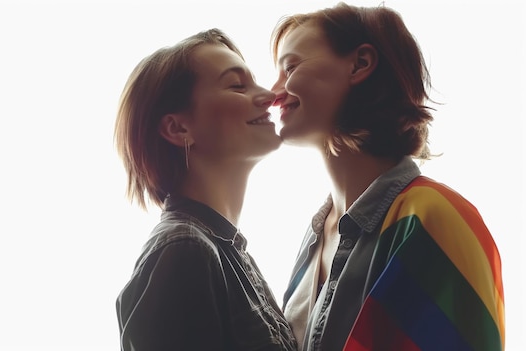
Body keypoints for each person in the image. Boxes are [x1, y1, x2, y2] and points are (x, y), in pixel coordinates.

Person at [269, 3, 504, 351]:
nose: (273, 92)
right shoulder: (317, 232)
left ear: (360, 64)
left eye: (290, 67)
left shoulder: (436, 219)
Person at [114, 28, 297, 351]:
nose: (269, 96)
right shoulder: (184, 250)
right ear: (178, 128)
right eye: (237, 85)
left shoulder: (224, 251)